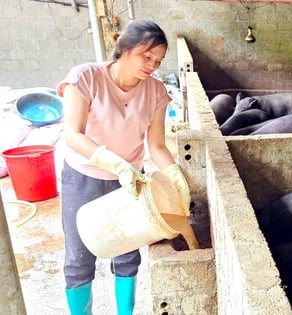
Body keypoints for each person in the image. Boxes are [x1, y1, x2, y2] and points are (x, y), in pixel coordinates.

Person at [57, 19, 190, 315]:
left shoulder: (155, 92)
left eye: (158, 60)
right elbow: (73, 134)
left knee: (128, 252)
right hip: (84, 176)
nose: (152, 65)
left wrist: (174, 174)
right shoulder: (85, 78)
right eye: (147, 56)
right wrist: (114, 163)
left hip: (130, 180)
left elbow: (156, 145)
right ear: (124, 49)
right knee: (79, 255)